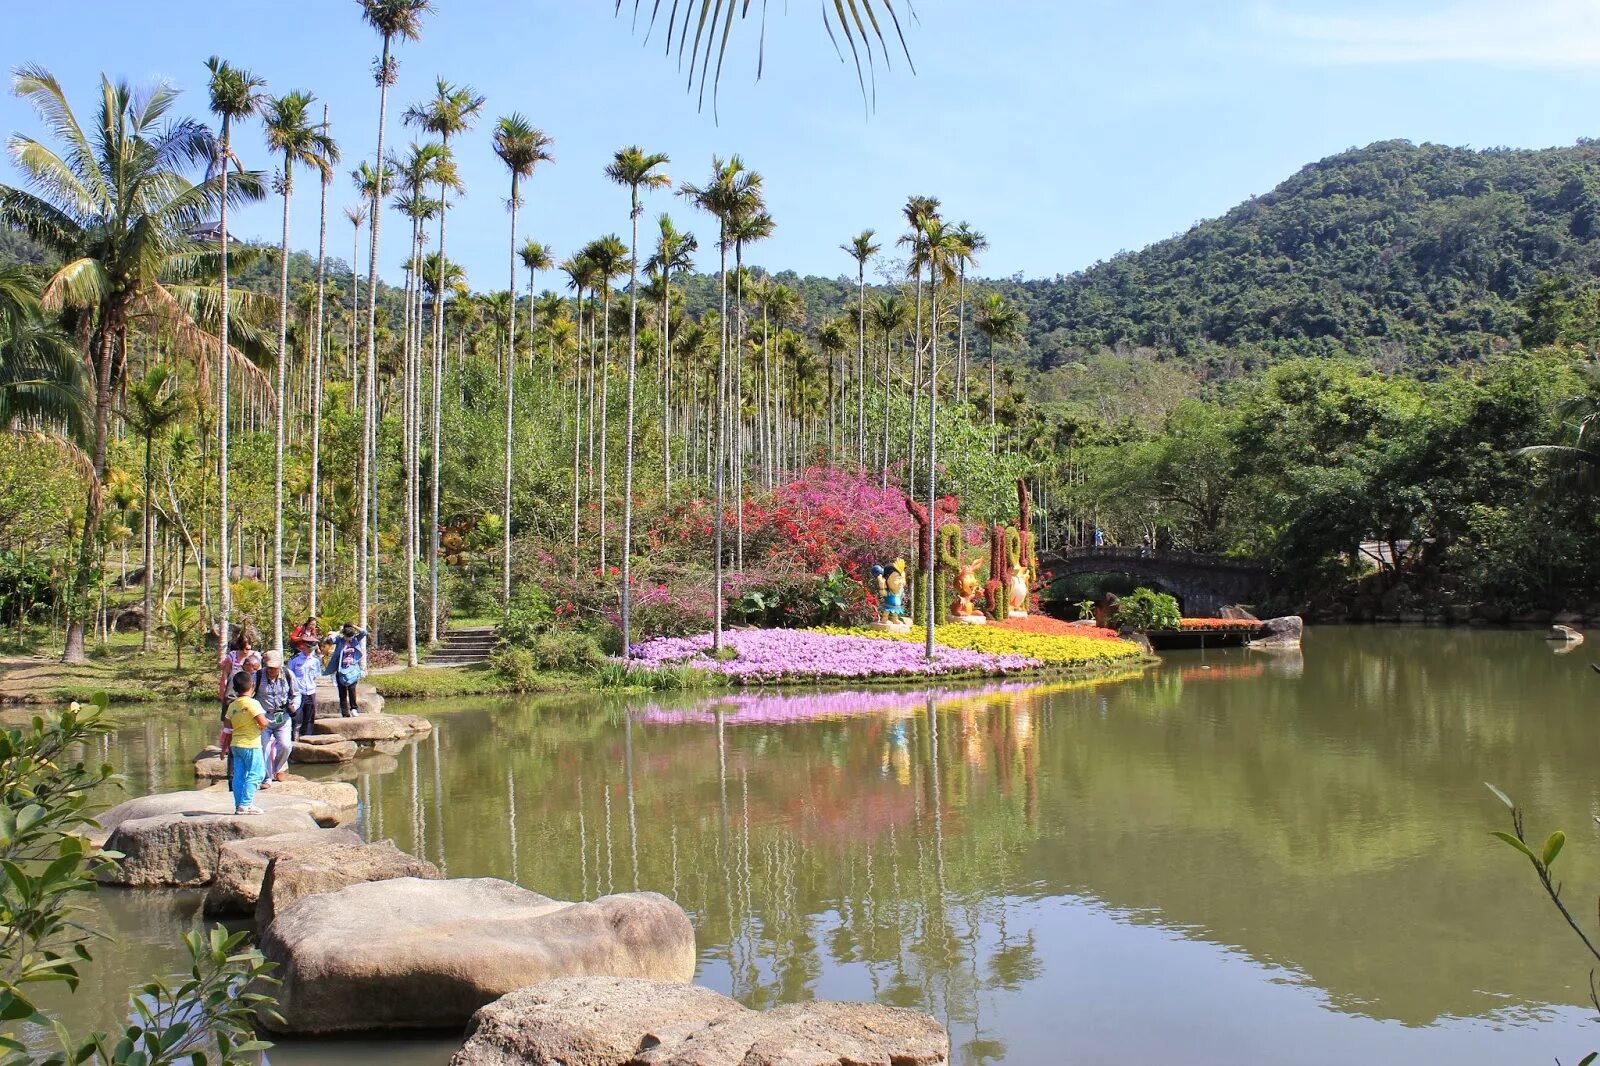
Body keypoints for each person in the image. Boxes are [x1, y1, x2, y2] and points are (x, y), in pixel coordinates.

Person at [221, 671, 270, 815]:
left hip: (236, 745)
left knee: (239, 775)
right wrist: (263, 725)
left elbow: (228, 727)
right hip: (251, 745)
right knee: (257, 774)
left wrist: (224, 747)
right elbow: (263, 722)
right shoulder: (253, 703)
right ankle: (246, 804)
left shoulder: (232, 705)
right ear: (252, 685)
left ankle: (238, 805)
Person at [256, 650, 297, 784]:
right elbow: (249, 695)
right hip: (264, 717)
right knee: (265, 747)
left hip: (282, 717)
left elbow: (296, 694)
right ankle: (267, 777)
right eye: (269, 667)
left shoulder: (288, 675)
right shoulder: (257, 676)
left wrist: (294, 705)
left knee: (286, 745)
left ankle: (278, 768)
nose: (271, 670)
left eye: (274, 667)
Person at [328, 623, 366, 717]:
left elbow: (364, 632)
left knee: (352, 689)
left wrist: (353, 626)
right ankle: (345, 713)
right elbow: (330, 640)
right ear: (344, 635)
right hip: (341, 669)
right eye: (347, 637)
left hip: (352, 669)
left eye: (351, 637)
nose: (349, 639)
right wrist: (339, 632)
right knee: (342, 692)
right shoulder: (339, 640)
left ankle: (354, 708)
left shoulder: (355, 640)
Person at [288, 640, 322, 739]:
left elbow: (316, 675)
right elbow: (289, 675)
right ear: (304, 646)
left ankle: (307, 736)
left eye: (312, 649)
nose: (310, 651)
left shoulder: (315, 661)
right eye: (309, 648)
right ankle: (293, 736)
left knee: (310, 716)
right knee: (295, 714)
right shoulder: (295, 660)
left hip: (310, 691)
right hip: (298, 691)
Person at [217, 631, 254, 721]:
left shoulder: (255, 656)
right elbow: (226, 673)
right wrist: (222, 689)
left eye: (247, 649)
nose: (245, 651)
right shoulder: (233, 655)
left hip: (248, 688)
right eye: (242, 649)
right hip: (233, 688)